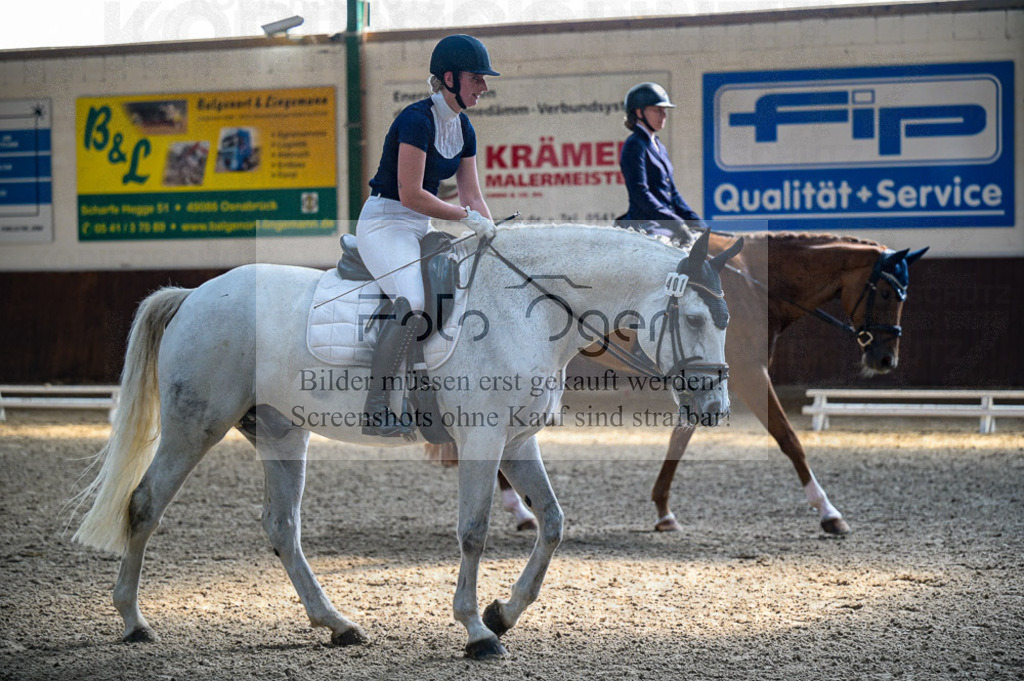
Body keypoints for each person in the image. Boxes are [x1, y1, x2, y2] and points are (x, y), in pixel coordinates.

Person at [357, 34, 499, 437]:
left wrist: (492, 236)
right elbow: (411, 193)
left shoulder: (464, 127)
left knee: (456, 289)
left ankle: (425, 398)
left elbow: (472, 195)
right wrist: (465, 217)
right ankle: (377, 408)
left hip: (420, 226)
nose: (483, 87)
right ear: (450, 78)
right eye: (477, 78)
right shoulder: (416, 120)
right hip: (385, 222)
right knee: (414, 300)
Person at [617, 82, 706, 244]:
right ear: (639, 112)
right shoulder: (634, 145)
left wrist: (697, 222)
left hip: (667, 222)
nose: (663, 115)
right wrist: (675, 223)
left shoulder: (659, 146)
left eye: (664, 110)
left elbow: (673, 193)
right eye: (657, 110)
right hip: (648, 224)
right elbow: (640, 194)